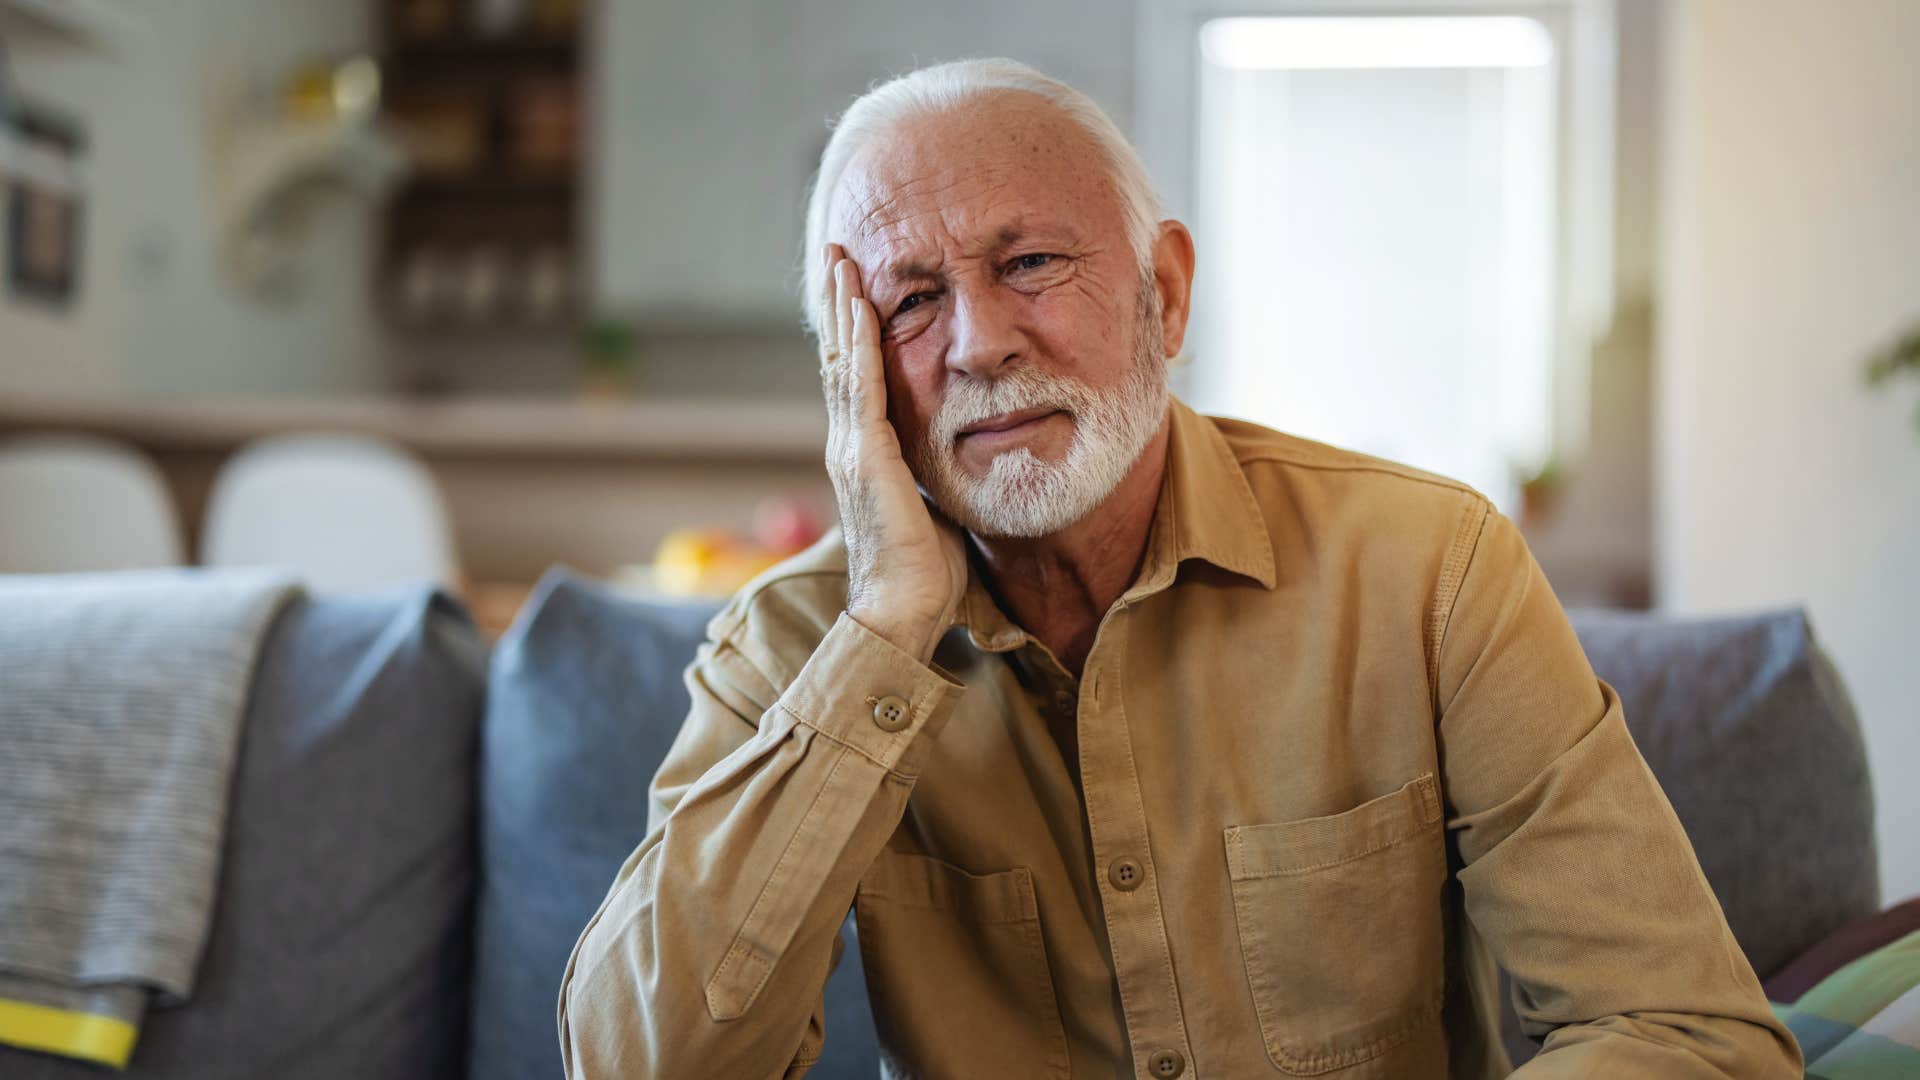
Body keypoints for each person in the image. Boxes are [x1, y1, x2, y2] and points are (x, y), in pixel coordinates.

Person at [557, 58, 1800, 1079]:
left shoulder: (1430, 570)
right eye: (912, 301)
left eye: (1031, 264)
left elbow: (1687, 1034)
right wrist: (884, 630)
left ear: (1165, 291)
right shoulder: (795, 647)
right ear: (850, 367)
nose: (981, 343)